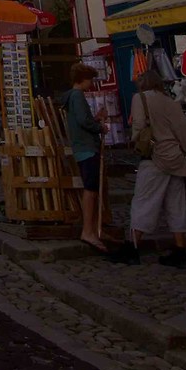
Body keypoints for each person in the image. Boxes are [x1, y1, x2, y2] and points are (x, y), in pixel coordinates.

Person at [128, 72, 186, 267]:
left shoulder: (140, 98)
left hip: (154, 155)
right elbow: (184, 130)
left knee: (144, 201)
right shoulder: (170, 102)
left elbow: (139, 124)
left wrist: (136, 141)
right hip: (174, 156)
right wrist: (183, 150)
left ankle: (132, 247)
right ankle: (180, 250)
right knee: (176, 205)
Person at [61, 60, 112, 254]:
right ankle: (88, 230)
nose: (91, 84)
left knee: (94, 188)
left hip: (84, 147)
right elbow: (83, 121)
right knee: (90, 189)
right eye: (90, 80)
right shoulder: (77, 96)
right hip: (86, 148)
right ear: (83, 79)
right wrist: (99, 127)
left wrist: (96, 117)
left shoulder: (73, 97)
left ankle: (95, 228)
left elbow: (82, 119)